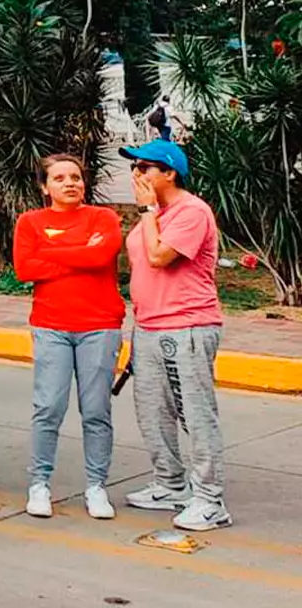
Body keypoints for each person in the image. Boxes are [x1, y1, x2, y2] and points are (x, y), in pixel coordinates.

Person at [120, 138, 230, 531]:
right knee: (153, 411)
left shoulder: (191, 212)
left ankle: (210, 499)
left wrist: (149, 210)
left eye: (145, 167)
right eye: (135, 167)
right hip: (149, 325)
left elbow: (159, 257)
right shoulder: (156, 213)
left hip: (187, 325)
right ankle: (170, 483)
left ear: (169, 172)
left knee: (195, 414)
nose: (137, 174)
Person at [12, 153, 123, 520]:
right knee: (48, 408)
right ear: (45, 187)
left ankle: (96, 486)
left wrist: (52, 252)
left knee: (96, 411)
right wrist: (81, 251)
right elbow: (25, 268)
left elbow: (102, 254)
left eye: (75, 176)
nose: (70, 183)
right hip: (51, 326)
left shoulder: (102, 218)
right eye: (59, 178)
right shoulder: (30, 222)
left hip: (100, 325)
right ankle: (39, 484)